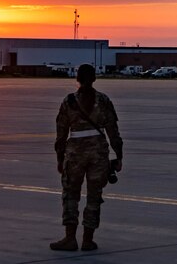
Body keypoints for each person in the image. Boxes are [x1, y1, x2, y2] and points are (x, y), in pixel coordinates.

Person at [50, 63, 123, 251]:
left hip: (75, 154)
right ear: (94, 78)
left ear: (77, 78)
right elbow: (113, 131)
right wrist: (119, 155)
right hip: (98, 154)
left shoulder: (69, 102)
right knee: (94, 196)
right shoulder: (103, 100)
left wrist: (60, 158)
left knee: (71, 194)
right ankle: (88, 239)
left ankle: (70, 238)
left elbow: (61, 133)